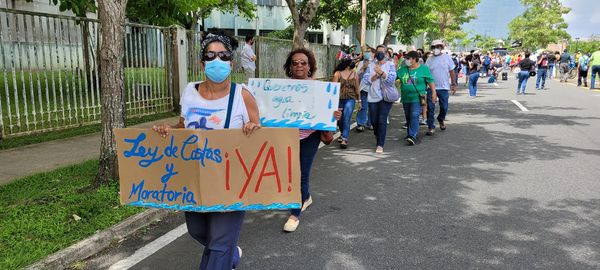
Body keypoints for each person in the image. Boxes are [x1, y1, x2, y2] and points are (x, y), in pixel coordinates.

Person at [152, 33, 261, 270]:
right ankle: (232, 253)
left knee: (220, 243)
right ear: (202, 63)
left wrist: (253, 129)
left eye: (223, 55)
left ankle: (225, 252)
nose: (217, 60)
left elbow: (260, 137)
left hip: (231, 182)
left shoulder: (242, 95)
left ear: (231, 63)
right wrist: (166, 130)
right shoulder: (190, 91)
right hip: (195, 180)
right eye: (210, 55)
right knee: (198, 230)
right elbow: (183, 129)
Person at [282, 48, 342, 232]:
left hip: (310, 136)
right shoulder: (280, 88)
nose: (299, 65)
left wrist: (334, 115)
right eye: (295, 63)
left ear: (310, 67)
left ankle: (295, 214)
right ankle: (305, 197)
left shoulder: (321, 88)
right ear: (289, 67)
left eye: (303, 63)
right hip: (286, 137)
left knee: (301, 173)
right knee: (288, 172)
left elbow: (328, 111)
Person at [362, 45, 397, 153]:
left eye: (382, 52)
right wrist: (376, 75)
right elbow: (366, 80)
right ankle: (378, 135)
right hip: (373, 96)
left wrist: (381, 72)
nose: (379, 54)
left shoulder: (390, 64)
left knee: (382, 120)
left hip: (385, 97)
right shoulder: (371, 65)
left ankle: (380, 145)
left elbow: (391, 80)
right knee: (374, 121)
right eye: (378, 52)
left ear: (386, 53)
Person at [397, 51, 436, 145]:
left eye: (408, 58)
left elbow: (430, 81)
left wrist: (434, 93)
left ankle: (412, 135)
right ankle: (410, 134)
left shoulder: (423, 69)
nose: (406, 60)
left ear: (414, 59)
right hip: (406, 97)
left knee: (414, 115)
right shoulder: (403, 69)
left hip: (417, 97)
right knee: (409, 117)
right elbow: (394, 77)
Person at [425, 40, 456, 135]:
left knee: (444, 107)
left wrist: (454, 84)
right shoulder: (429, 59)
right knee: (430, 107)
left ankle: (441, 119)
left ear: (441, 47)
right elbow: (426, 73)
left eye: (438, 46)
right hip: (431, 87)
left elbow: (451, 71)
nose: (436, 49)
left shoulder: (447, 58)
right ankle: (431, 126)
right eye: (434, 47)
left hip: (444, 87)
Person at [333, 59, 360, 148]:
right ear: (347, 65)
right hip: (339, 99)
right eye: (351, 63)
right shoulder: (337, 74)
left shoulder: (355, 75)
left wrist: (359, 101)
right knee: (340, 119)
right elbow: (333, 88)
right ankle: (342, 133)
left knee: (347, 118)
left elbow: (357, 89)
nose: (353, 65)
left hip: (350, 99)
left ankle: (345, 138)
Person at [356, 49, 374, 131]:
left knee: (372, 107)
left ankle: (370, 123)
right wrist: (363, 68)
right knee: (363, 106)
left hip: (373, 89)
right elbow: (357, 75)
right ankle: (360, 123)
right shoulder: (361, 63)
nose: (369, 60)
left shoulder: (375, 64)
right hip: (363, 88)